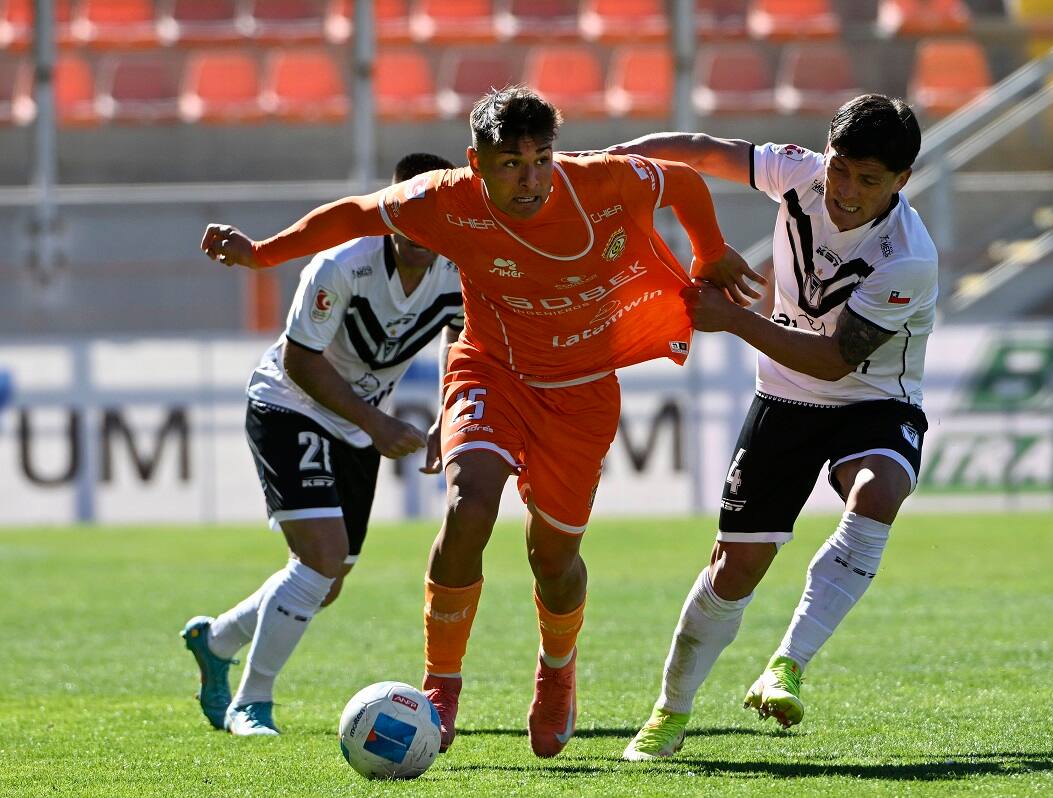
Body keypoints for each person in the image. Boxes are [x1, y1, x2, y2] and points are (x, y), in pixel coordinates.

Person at [198, 86, 762, 756]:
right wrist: (263, 254)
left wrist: (711, 249)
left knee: (554, 560)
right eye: (509, 165)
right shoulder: (441, 199)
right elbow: (350, 216)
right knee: (469, 508)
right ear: (476, 162)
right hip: (489, 370)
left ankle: (556, 672)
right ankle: (442, 683)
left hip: (581, 393)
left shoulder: (602, 180)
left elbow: (684, 178)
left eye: (540, 160)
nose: (529, 179)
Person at [612, 94, 938, 760]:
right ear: (826, 152)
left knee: (878, 492)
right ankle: (669, 715)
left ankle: (787, 664)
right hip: (785, 400)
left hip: (872, 397)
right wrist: (608, 164)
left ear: (901, 182)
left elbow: (834, 357)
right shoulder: (801, 175)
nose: (845, 190)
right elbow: (701, 152)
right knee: (734, 569)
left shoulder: (908, 258)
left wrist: (731, 318)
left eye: (867, 180)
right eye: (840, 169)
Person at [182, 153, 464, 736]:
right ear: (388, 210)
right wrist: (381, 425)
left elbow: (461, 344)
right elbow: (299, 360)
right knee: (320, 559)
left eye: (430, 213)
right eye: (404, 211)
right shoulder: (342, 265)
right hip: (290, 404)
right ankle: (251, 703)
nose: (415, 228)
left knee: (326, 583)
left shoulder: (463, 273)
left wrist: (445, 416)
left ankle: (216, 642)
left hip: (357, 424)